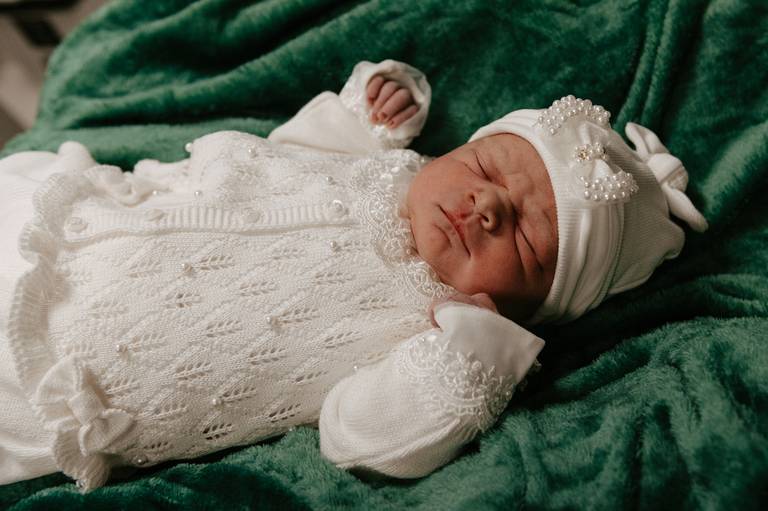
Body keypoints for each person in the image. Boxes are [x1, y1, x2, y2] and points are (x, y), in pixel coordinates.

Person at [0, 59, 707, 491]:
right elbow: (286, 149)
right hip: (62, 217)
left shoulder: (434, 337)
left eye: (525, 237)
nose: (488, 205)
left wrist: (471, 357)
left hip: (70, 378)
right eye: (485, 167)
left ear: (533, 307)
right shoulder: (385, 169)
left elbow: (358, 440)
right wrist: (366, 109)